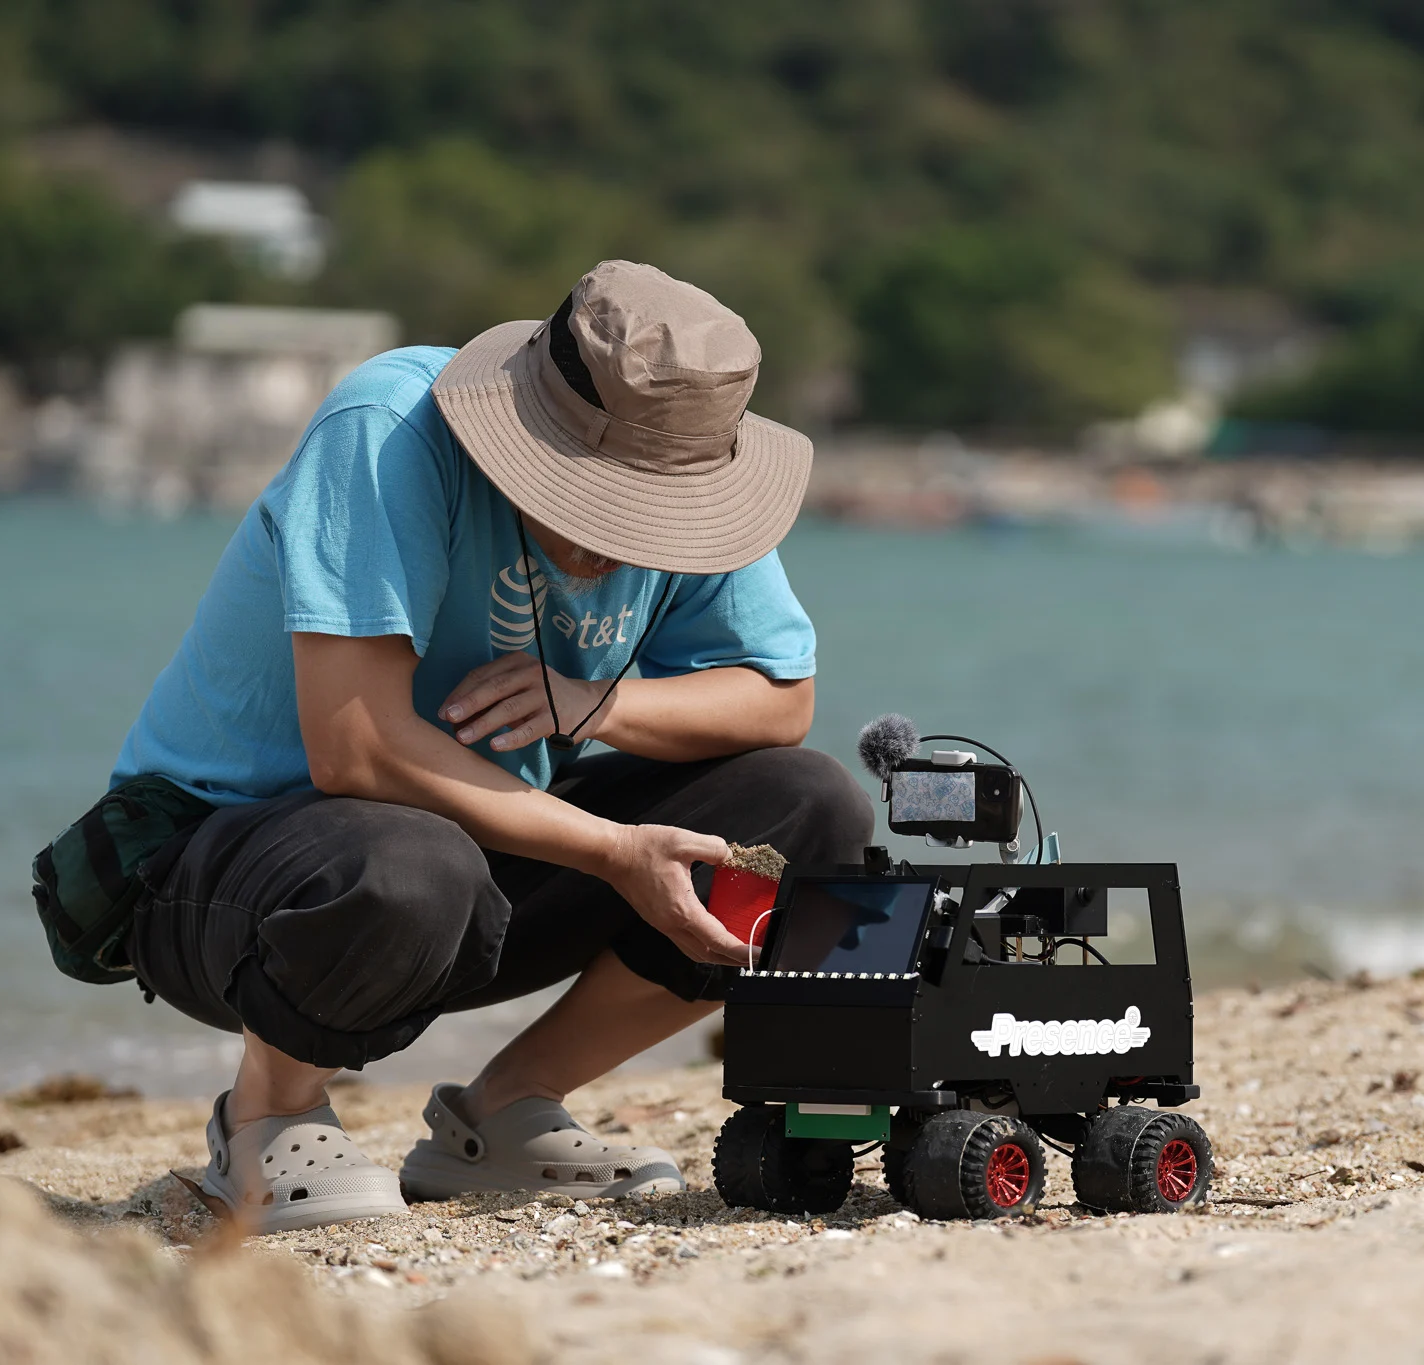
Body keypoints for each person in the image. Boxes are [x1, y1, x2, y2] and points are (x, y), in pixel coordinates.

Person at [107, 261, 873, 1233]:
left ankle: (502, 1115)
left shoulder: (689, 449)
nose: (616, 548)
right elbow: (355, 749)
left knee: (809, 816)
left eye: (651, 515)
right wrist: (613, 851)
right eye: (599, 504)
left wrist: (590, 703)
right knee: (414, 861)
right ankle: (267, 1111)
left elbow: (778, 698)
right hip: (225, 871)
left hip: (467, 864)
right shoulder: (389, 431)